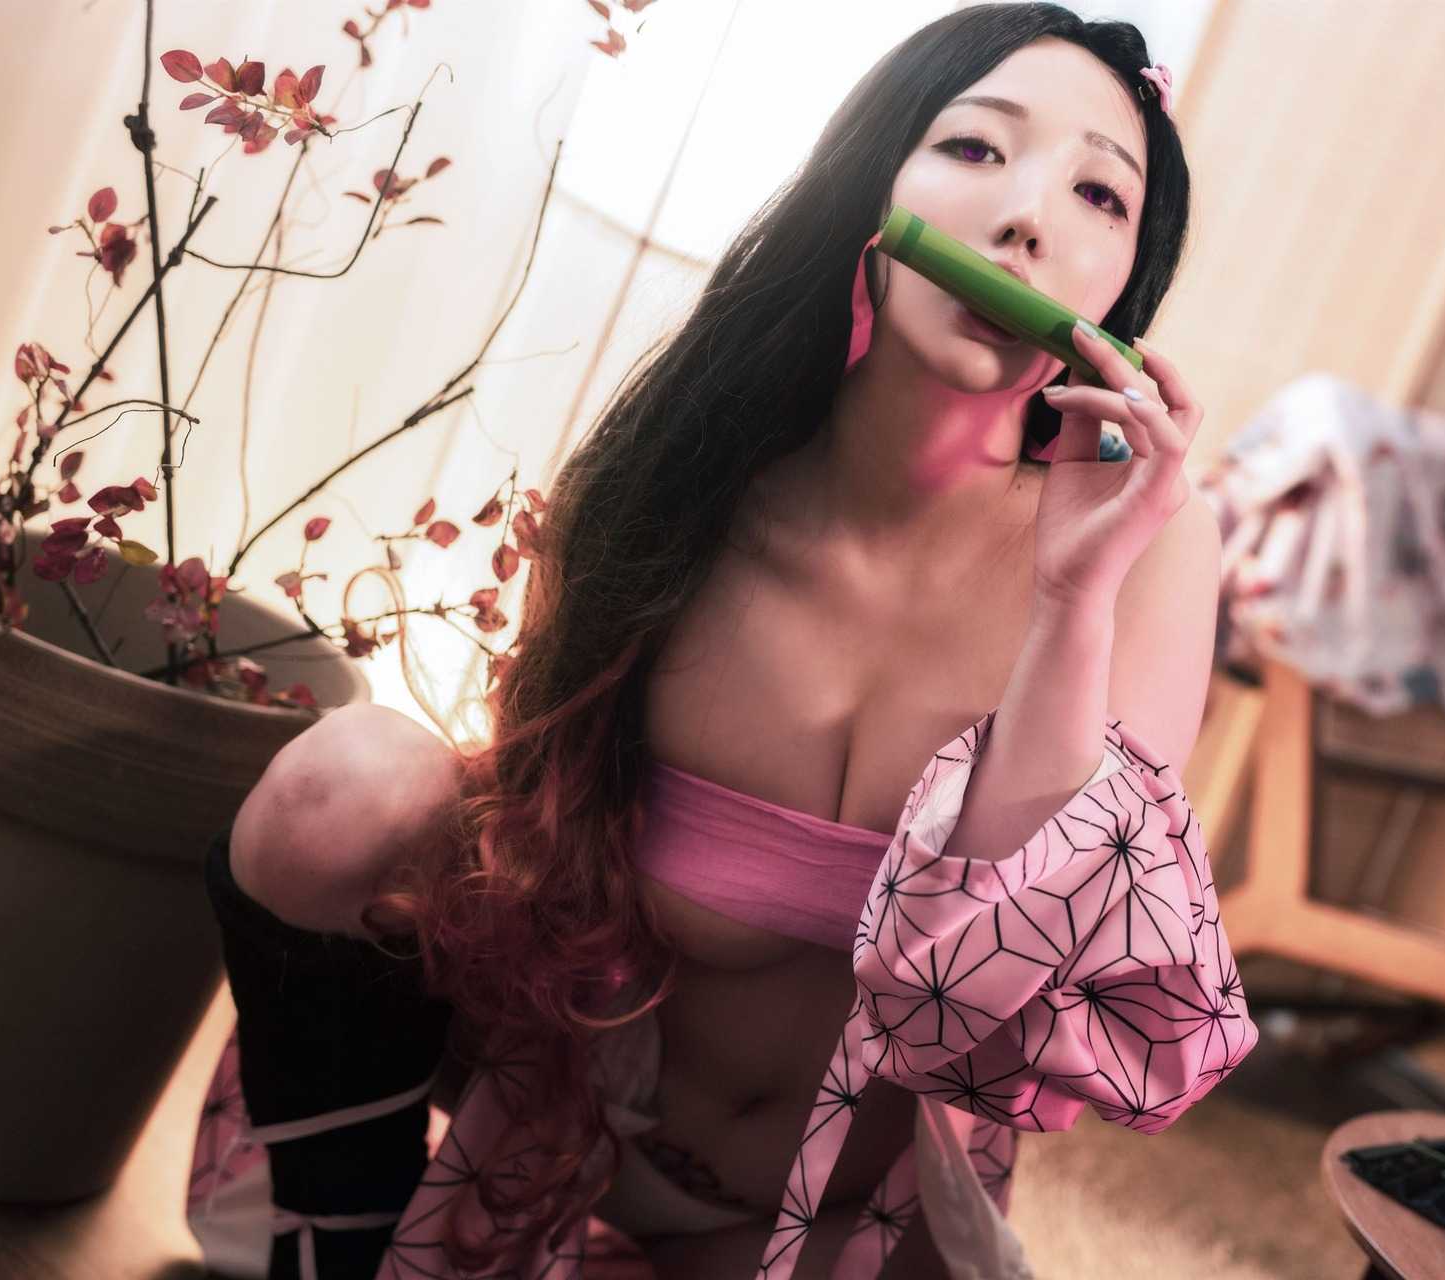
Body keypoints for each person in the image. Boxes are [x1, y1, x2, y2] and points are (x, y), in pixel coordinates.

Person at [184, 5, 1257, 1278]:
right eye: (974, 149)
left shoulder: (1150, 548)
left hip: (830, 1227)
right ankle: (334, 1238)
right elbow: (537, 844)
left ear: (1124, 283)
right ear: (871, 186)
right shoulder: (689, 473)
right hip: (552, 1132)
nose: (1027, 219)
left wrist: (1072, 598)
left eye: (1099, 193)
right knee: (345, 779)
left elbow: (993, 1011)